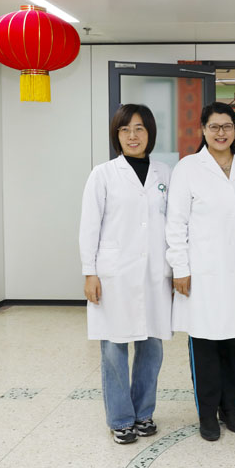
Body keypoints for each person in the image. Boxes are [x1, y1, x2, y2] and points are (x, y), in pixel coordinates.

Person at [79, 104, 172, 444]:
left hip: (155, 273)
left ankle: (143, 412)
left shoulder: (165, 173)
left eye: (139, 129)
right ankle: (120, 419)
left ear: (150, 133)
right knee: (114, 348)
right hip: (114, 274)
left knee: (152, 347)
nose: (132, 136)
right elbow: (89, 226)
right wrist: (89, 272)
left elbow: (172, 223)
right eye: (124, 129)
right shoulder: (103, 174)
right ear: (116, 135)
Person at [165, 102, 235, 441]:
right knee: (204, 345)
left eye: (227, 126)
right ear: (203, 130)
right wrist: (180, 268)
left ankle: (230, 407)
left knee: (234, 344)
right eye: (214, 126)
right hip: (201, 272)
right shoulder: (188, 168)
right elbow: (176, 223)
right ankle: (207, 413)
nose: (221, 133)